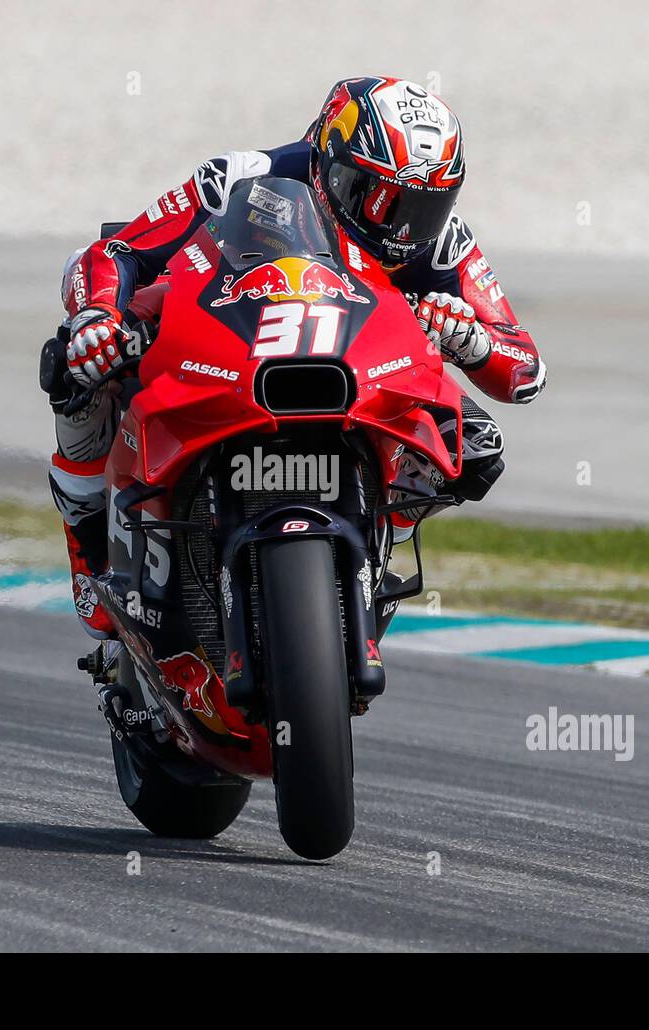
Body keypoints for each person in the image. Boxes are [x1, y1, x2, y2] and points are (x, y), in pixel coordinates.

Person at [41, 76, 547, 638]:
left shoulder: (441, 239)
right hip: (222, 346)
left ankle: (382, 542)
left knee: (476, 443)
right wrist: (99, 319)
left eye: (423, 207)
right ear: (330, 164)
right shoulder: (237, 178)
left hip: (361, 376)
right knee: (77, 368)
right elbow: (113, 253)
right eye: (378, 198)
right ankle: (88, 549)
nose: (400, 228)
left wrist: (470, 342)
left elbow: (524, 367)